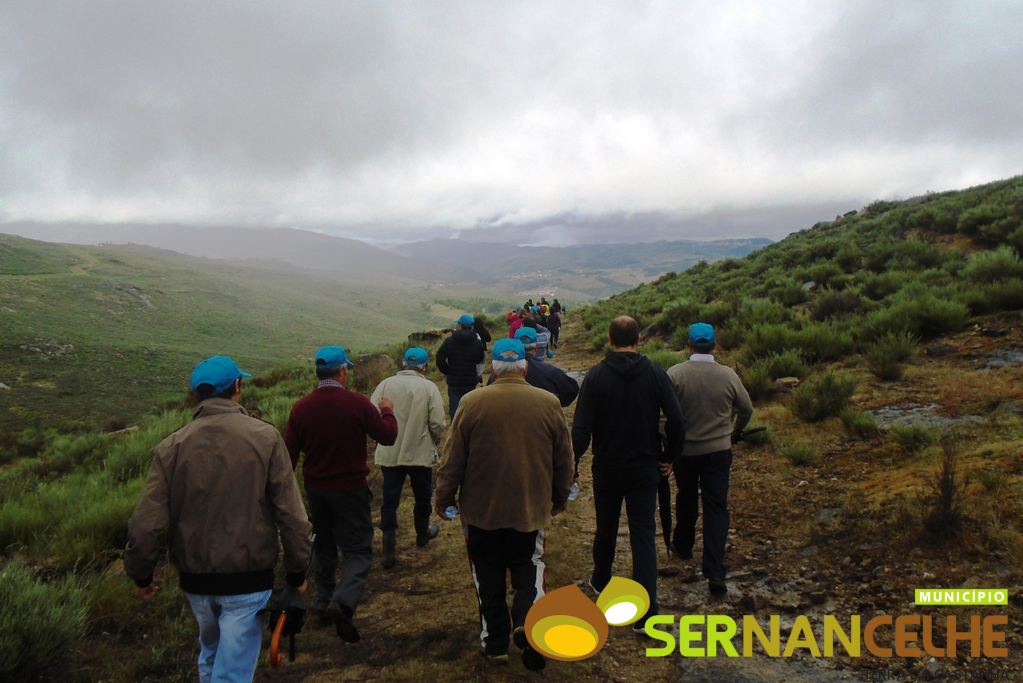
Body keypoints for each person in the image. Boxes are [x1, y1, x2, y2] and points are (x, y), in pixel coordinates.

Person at [125, 355, 312, 683]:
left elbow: (145, 524)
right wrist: (298, 570)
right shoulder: (265, 437)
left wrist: (141, 575)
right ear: (237, 387)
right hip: (249, 577)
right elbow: (292, 515)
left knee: (210, 653)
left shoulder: (171, 446)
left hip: (195, 580)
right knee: (232, 672)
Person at [436, 338, 574, 670]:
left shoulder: (471, 402)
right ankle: (528, 622)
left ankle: (495, 643)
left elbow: (453, 459)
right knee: (531, 567)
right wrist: (559, 497)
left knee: (486, 572)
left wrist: (443, 497)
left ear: (493, 369)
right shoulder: (548, 402)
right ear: (525, 367)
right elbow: (563, 459)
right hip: (530, 506)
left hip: (481, 510)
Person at [572, 316, 685, 631]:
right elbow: (676, 419)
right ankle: (646, 612)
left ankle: (601, 579)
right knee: (643, 536)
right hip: (645, 467)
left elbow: (581, 427)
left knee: (606, 527)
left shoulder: (595, 377)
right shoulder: (655, 373)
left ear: (609, 339)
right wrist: (670, 456)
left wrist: (573, 463)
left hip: (608, 466)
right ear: (639, 339)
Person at [284, 345, 398, 643]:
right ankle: (343, 601)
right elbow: (387, 436)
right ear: (343, 371)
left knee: (323, 546)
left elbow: (287, 457)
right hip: (350, 489)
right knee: (358, 549)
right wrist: (387, 411)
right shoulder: (357, 404)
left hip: (317, 490)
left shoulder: (301, 407)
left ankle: (322, 605)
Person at [665, 323, 753, 595]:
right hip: (718, 451)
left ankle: (683, 544)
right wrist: (734, 431)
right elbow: (746, 408)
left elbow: (664, 414)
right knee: (716, 507)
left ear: (688, 346)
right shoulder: (727, 375)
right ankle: (715, 570)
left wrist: (667, 444)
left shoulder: (675, 374)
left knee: (687, 496)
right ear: (714, 346)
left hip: (686, 451)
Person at [370, 347, 446, 568]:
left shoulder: (385, 384)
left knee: (389, 500)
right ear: (423, 366)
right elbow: (438, 423)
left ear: (403, 363)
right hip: (420, 453)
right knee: (422, 496)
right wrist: (434, 441)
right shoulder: (428, 387)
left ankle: (388, 547)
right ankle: (422, 534)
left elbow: (373, 413)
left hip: (389, 452)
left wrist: (381, 437)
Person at [486, 327, 579, 407]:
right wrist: (554, 404)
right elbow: (572, 390)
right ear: (536, 347)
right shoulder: (550, 371)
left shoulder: (497, 374)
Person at [437, 313, 485, 418]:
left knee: (455, 412)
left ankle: (455, 430)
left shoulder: (449, 341)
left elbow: (440, 359)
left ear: (460, 325)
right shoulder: (477, 343)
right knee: (469, 410)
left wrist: (448, 371)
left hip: (454, 380)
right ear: (472, 326)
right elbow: (480, 359)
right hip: (470, 380)